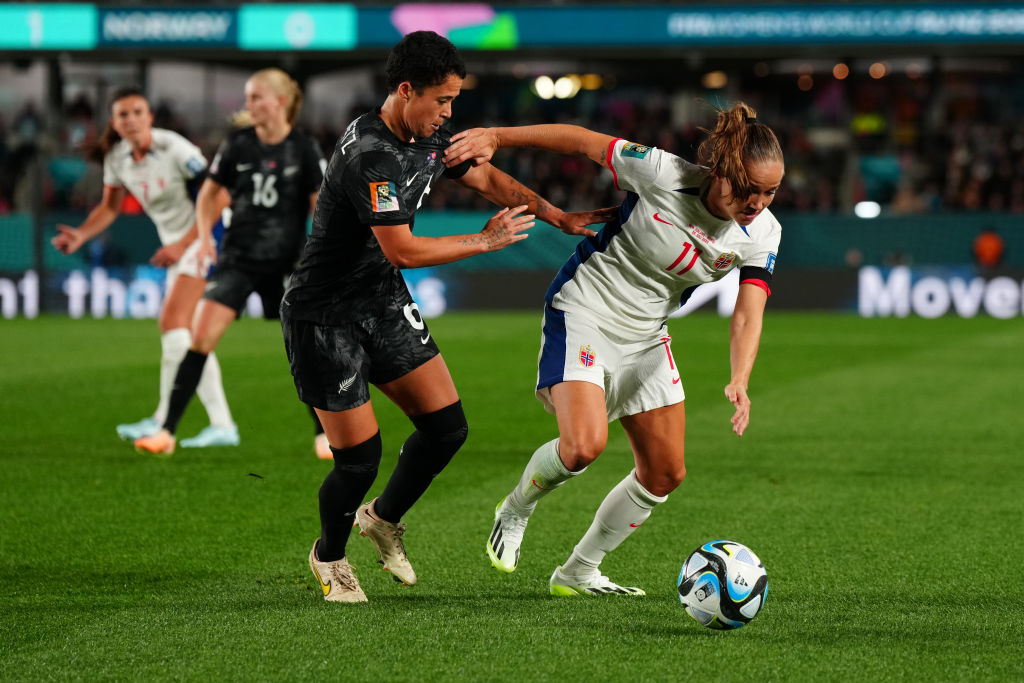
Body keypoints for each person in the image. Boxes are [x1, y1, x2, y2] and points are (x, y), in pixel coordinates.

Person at [280, 31, 613, 603]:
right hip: (323, 316)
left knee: (446, 429)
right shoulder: (371, 154)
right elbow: (402, 250)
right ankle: (330, 557)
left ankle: (382, 520)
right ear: (406, 91)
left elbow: (485, 178)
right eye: (441, 100)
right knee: (358, 461)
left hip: (380, 301)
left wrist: (555, 215)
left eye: (454, 101)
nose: (449, 113)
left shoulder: (432, 138)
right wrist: (484, 243)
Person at [443, 102, 784, 596]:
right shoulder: (663, 172)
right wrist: (497, 134)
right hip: (585, 310)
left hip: (647, 335)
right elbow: (581, 139)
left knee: (665, 473)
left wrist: (740, 379)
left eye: (770, 192)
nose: (757, 202)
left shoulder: (763, 233)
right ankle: (515, 509)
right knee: (583, 446)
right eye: (749, 188)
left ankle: (578, 572)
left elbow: (749, 312)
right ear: (721, 171)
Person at [134, 68, 329, 457]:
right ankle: (166, 432)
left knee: (304, 348)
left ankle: (325, 435)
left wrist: (319, 254)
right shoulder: (238, 144)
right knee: (201, 338)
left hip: (286, 264)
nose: (249, 104)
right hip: (238, 259)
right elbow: (208, 196)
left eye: (256, 97)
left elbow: (320, 207)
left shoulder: (304, 148)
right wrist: (206, 240)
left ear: (280, 101)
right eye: (248, 97)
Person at [52, 87, 238, 448]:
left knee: (173, 323)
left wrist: (184, 245)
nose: (132, 119)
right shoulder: (117, 158)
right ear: (114, 122)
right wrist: (80, 235)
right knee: (179, 332)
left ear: (150, 116)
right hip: (179, 246)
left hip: (208, 235)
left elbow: (220, 198)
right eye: (123, 114)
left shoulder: (176, 149)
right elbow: (109, 207)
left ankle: (211, 425)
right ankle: (174, 420)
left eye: (138, 112)